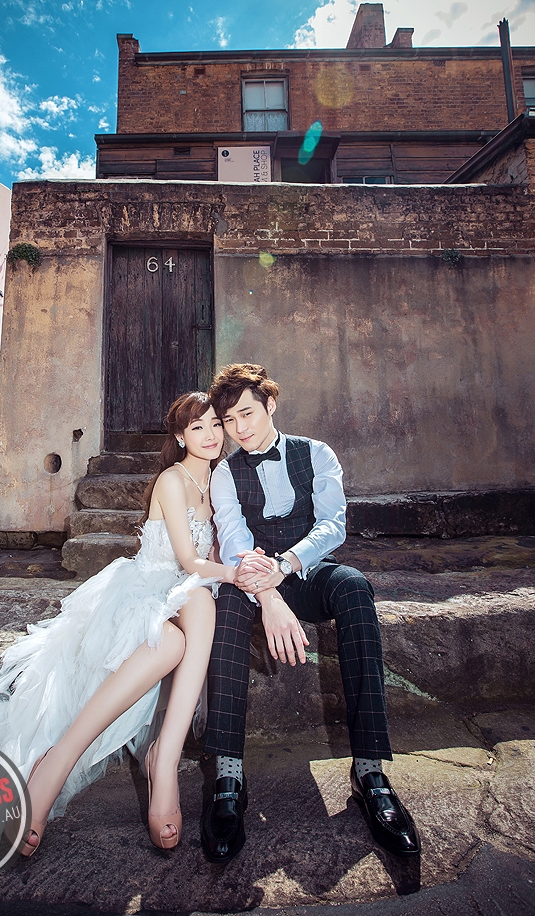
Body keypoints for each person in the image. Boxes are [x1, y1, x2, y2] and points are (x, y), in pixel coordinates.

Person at [0, 391, 235, 911]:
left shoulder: (221, 481)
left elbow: (214, 554)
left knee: (202, 608)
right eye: (198, 427)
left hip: (186, 595)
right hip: (144, 590)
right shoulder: (172, 479)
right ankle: (56, 763)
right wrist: (234, 572)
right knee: (170, 640)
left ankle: (163, 760)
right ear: (180, 437)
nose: (210, 435)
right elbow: (189, 560)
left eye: (215, 424)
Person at [199, 363, 420, 864]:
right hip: (255, 577)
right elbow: (233, 539)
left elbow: (333, 525)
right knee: (227, 603)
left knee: (355, 587)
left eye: (248, 414)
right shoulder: (225, 473)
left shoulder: (316, 453)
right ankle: (229, 778)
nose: (240, 429)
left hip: (308, 568)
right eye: (229, 420)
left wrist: (286, 566)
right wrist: (269, 595)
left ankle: (370, 773)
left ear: (271, 405)